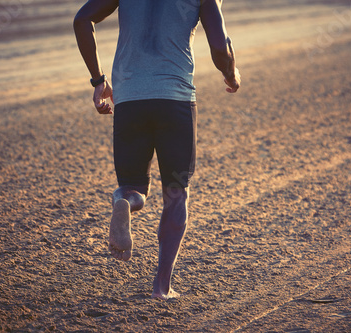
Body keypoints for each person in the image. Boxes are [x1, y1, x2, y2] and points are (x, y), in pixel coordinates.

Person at [73, 0, 240, 300]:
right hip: (174, 99)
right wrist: (231, 73)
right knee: (176, 194)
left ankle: (124, 200)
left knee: (133, 186)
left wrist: (99, 81)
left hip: (129, 98)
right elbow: (219, 46)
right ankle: (162, 287)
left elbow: (82, 20)